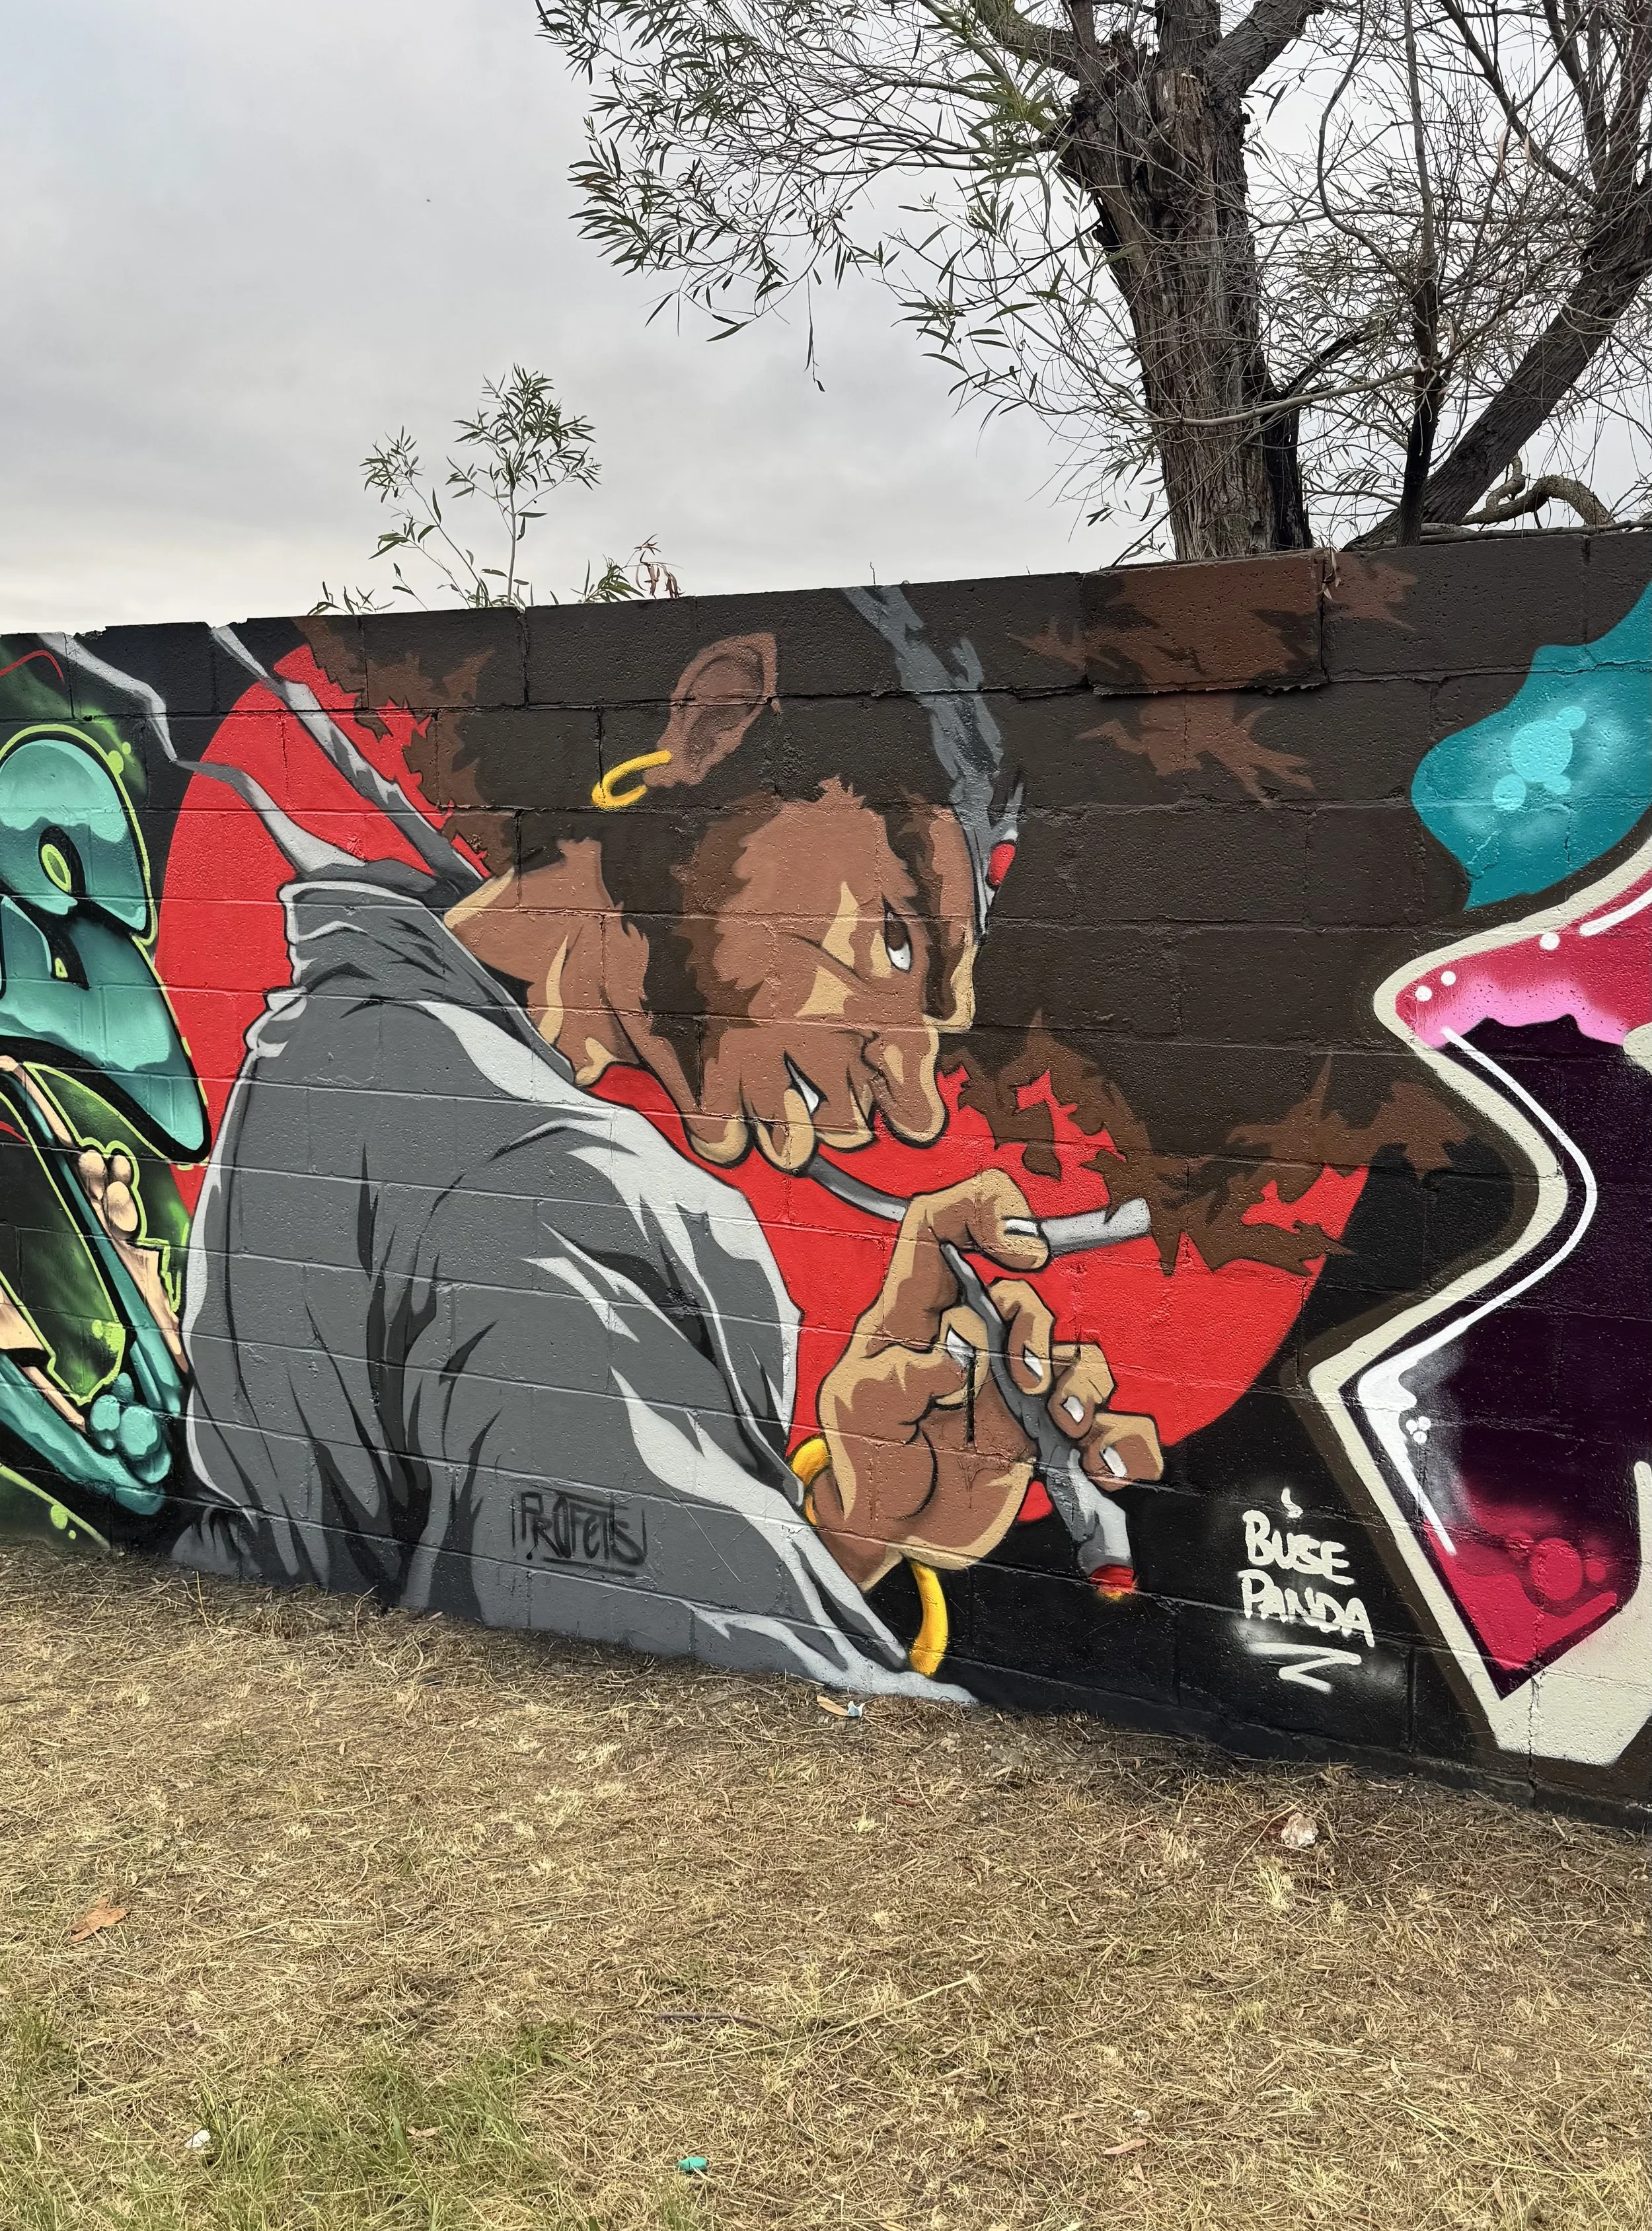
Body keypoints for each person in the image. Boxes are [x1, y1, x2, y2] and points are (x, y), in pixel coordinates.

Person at [165, 599, 1160, 1691]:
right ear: (720, 720)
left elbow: (515, 1597)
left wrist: (851, 1522)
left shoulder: (361, 1040)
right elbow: (705, 1682)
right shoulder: (539, 1184)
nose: (911, 1095)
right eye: (891, 934)